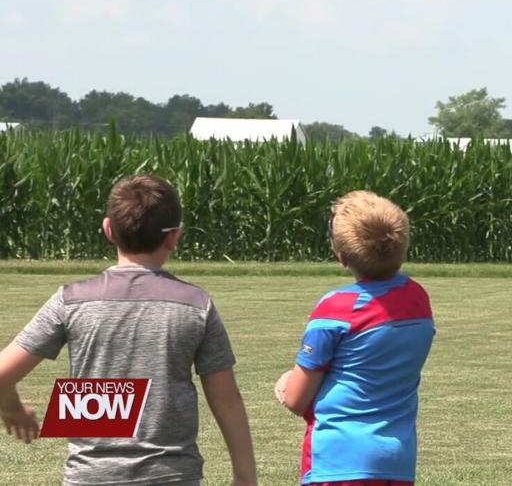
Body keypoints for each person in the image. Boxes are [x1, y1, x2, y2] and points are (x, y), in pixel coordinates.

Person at [0, 174, 257, 486]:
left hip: (89, 477)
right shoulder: (196, 304)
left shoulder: (71, 300)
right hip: (172, 476)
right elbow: (227, 401)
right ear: (174, 237)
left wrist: (12, 410)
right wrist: (245, 477)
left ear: (108, 229)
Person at [275, 190, 435, 486]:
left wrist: (285, 382)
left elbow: (297, 399)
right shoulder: (417, 299)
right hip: (398, 459)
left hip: (338, 459)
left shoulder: (337, 307)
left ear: (341, 256)